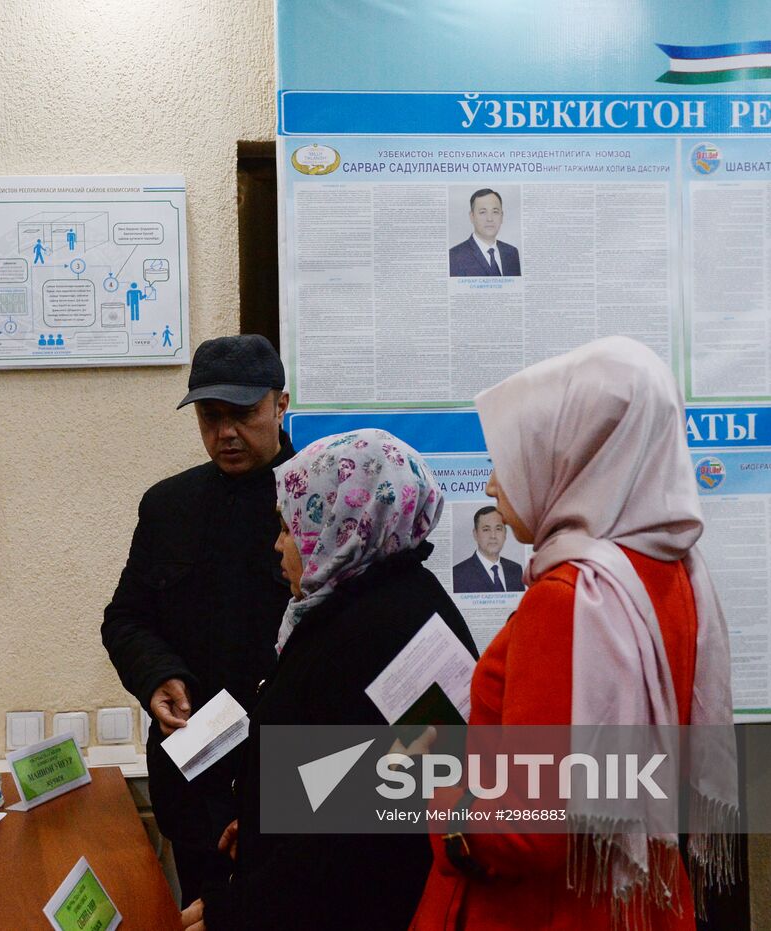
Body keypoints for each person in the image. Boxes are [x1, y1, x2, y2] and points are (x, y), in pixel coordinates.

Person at [411, 336, 737, 929]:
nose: (490, 485)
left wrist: (440, 792)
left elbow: (531, 827)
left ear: (573, 454)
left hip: (548, 909)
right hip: (638, 898)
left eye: (513, 458)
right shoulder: (676, 571)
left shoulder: (570, 599)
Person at [182, 429, 478, 931]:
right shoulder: (387, 599)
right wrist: (259, 821)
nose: (279, 545)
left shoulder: (377, 633)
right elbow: (352, 780)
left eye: (290, 525)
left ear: (342, 524)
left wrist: (236, 912)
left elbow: (354, 839)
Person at [103, 334, 294, 906]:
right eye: (211, 418)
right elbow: (126, 618)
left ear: (281, 405)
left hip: (294, 780)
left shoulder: (322, 499)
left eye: (243, 414)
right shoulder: (169, 506)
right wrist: (157, 676)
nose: (225, 433)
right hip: (194, 780)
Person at [449, 189, 521, 277]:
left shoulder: (511, 253)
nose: (489, 219)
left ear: (501, 216)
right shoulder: (454, 256)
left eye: (495, 212)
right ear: (472, 217)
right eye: (483, 212)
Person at [451, 505, 524, 593]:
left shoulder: (516, 570)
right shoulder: (458, 574)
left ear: (505, 534)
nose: (493, 536)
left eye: (498, 529)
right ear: (475, 534)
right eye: (486, 529)